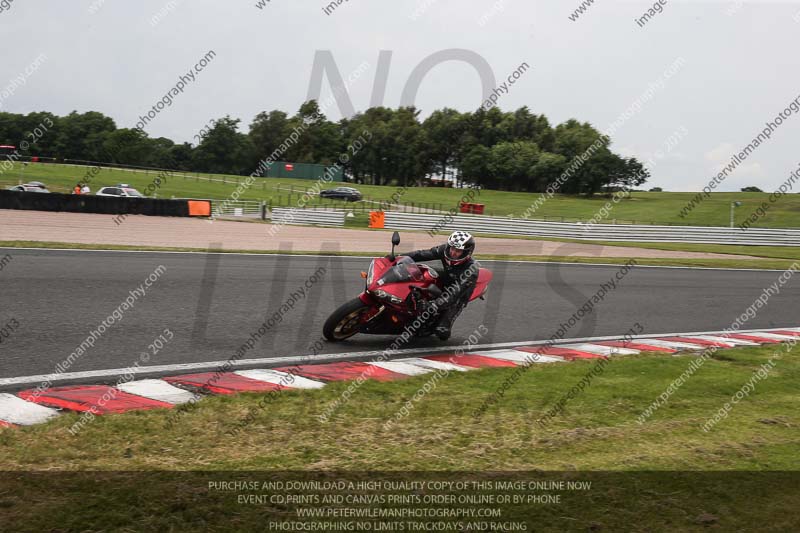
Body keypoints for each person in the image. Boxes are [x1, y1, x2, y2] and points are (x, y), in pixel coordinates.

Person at [401, 231, 479, 340]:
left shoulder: (471, 269)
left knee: (442, 332)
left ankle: (438, 323)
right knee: (422, 273)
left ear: (467, 252)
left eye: (458, 251)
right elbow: (422, 254)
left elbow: (454, 294)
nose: (453, 253)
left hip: (460, 293)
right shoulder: (445, 250)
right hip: (447, 278)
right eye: (452, 248)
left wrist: (433, 305)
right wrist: (399, 257)